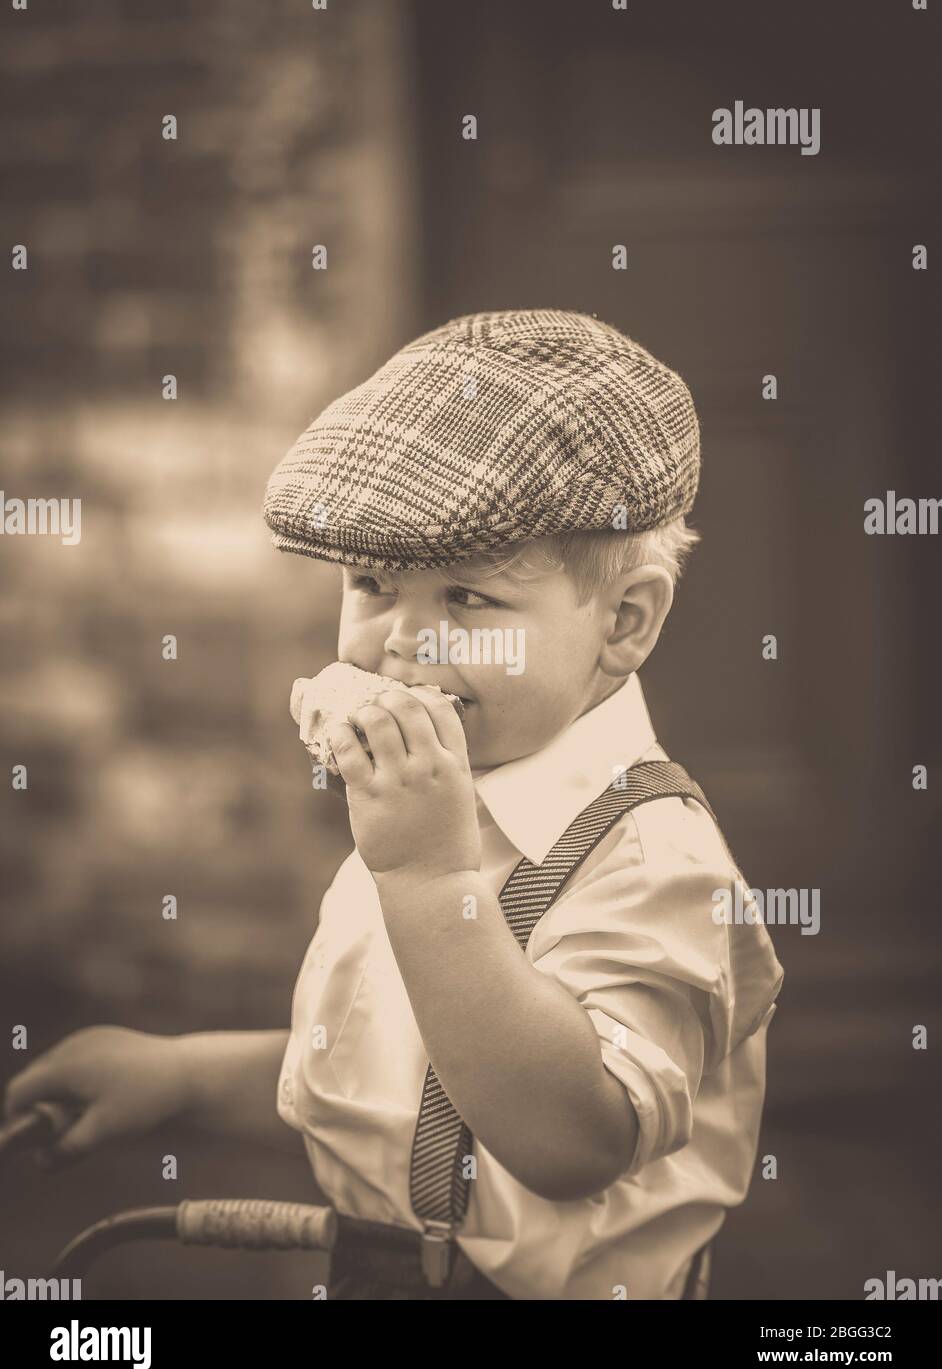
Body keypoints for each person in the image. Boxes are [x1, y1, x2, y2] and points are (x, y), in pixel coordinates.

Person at [4, 309, 784, 1300]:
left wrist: (431, 877)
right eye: (373, 582)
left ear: (623, 620)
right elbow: (412, 1082)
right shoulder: (450, 797)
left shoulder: (651, 860)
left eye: (469, 600)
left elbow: (570, 1137)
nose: (401, 645)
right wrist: (185, 1075)